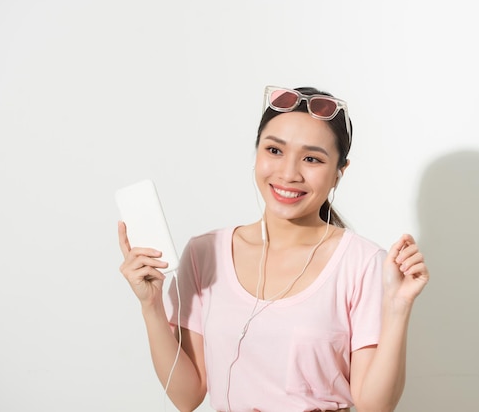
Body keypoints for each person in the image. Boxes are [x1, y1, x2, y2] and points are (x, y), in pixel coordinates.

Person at [118, 85, 429, 412]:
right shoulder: (204, 252)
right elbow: (186, 396)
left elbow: (374, 407)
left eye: (311, 158)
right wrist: (151, 306)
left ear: (340, 171)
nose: (288, 173)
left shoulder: (364, 263)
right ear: (257, 154)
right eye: (274, 151)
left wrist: (397, 307)